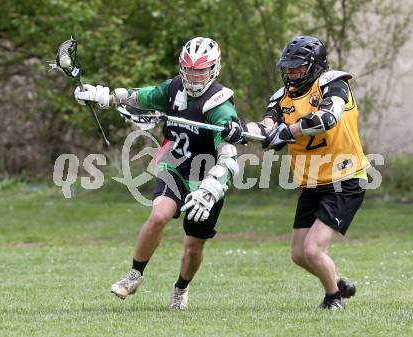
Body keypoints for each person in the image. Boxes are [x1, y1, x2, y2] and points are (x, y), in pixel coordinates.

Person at [74, 37, 240, 310]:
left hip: (207, 177)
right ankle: (134, 275)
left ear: (214, 68)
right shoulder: (174, 88)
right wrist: (108, 97)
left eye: (201, 70)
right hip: (174, 164)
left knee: (193, 246)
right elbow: (143, 96)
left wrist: (212, 187)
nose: (194, 76)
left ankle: (180, 289)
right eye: (189, 69)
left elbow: (229, 155)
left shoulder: (220, 104)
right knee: (159, 215)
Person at [221, 35, 370, 309]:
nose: (291, 72)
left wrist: (288, 132)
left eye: (297, 67)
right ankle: (336, 282)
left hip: (344, 179)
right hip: (312, 183)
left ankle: (333, 298)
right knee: (299, 255)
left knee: (313, 249)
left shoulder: (334, 84)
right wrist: (240, 130)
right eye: (288, 67)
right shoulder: (282, 98)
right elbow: (266, 126)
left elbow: (327, 118)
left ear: (314, 66)